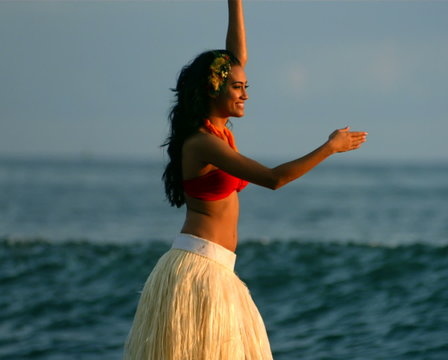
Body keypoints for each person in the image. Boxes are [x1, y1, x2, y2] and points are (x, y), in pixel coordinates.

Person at [123, 0, 367, 358]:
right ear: (213, 88)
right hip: (197, 271)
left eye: (245, 85)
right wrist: (330, 147)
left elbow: (237, 56)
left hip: (219, 270)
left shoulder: (216, 132)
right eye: (237, 87)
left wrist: (235, 2)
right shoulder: (202, 143)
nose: (245, 94)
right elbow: (273, 179)